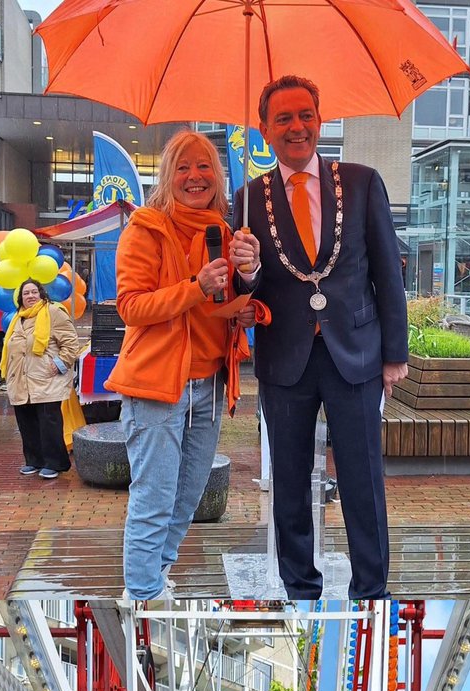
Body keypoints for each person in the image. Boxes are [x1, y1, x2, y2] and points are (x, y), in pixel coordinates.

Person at [236, 75, 408, 601]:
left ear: (320, 118)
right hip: (284, 360)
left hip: (355, 355)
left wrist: (395, 356)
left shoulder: (360, 181)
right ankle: (301, 587)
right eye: (283, 118)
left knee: (363, 478)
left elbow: (387, 272)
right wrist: (246, 271)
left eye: (305, 115)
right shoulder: (247, 200)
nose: (296, 127)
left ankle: (371, 587)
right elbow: (252, 290)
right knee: (288, 481)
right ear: (264, 129)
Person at [109, 130, 261, 604]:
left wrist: (249, 284)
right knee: (153, 500)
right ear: (168, 176)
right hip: (157, 387)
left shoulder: (230, 234)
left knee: (188, 496)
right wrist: (195, 286)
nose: (194, 176)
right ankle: (143, 593)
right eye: (183, 167)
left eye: (203, 167)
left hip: (210, 386)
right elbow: (131, 307)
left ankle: (158, 575)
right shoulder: (146, 228)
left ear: (217, 177)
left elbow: (223, 310)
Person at [2, 280, 79, 480]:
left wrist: (60, 363)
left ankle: (55, 462)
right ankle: (33, 460)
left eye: (34, 292)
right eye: (26, 293)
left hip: (46, 377)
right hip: (20, 379)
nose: (30, 296)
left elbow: (70, 342)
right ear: (20, 298)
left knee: (49, 421)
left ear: (42, 293)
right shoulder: (17, 318)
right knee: (27, 422)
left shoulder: (53, 312)